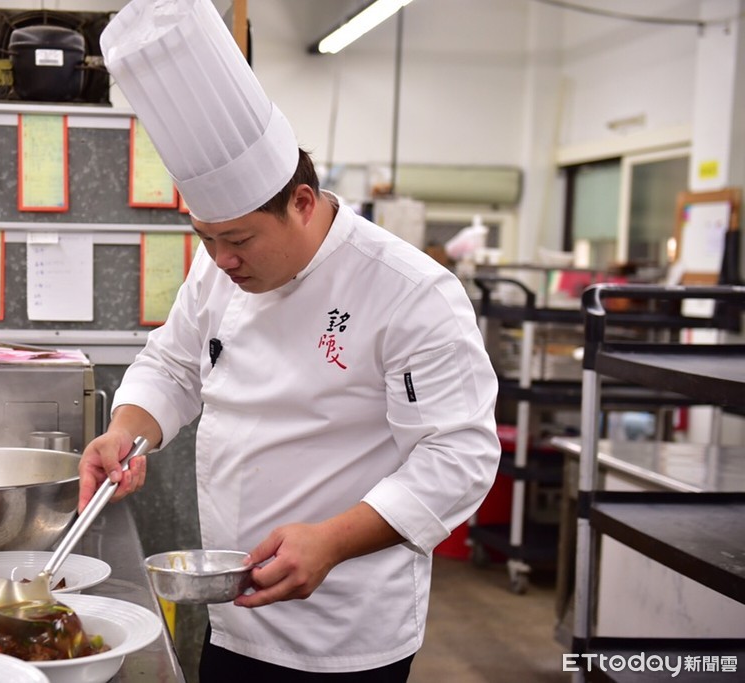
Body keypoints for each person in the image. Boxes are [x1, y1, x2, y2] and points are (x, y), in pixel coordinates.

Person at [80, 1, 501, 680]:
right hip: (232, 610)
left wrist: (332, 541)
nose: (221, 259)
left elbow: (459, 456)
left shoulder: (409, 291)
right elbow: (175, 364)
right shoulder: (219, 267)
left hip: (345, 628)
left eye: (239, 239)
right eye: (205, 238)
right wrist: (127, 431)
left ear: (302, 202)